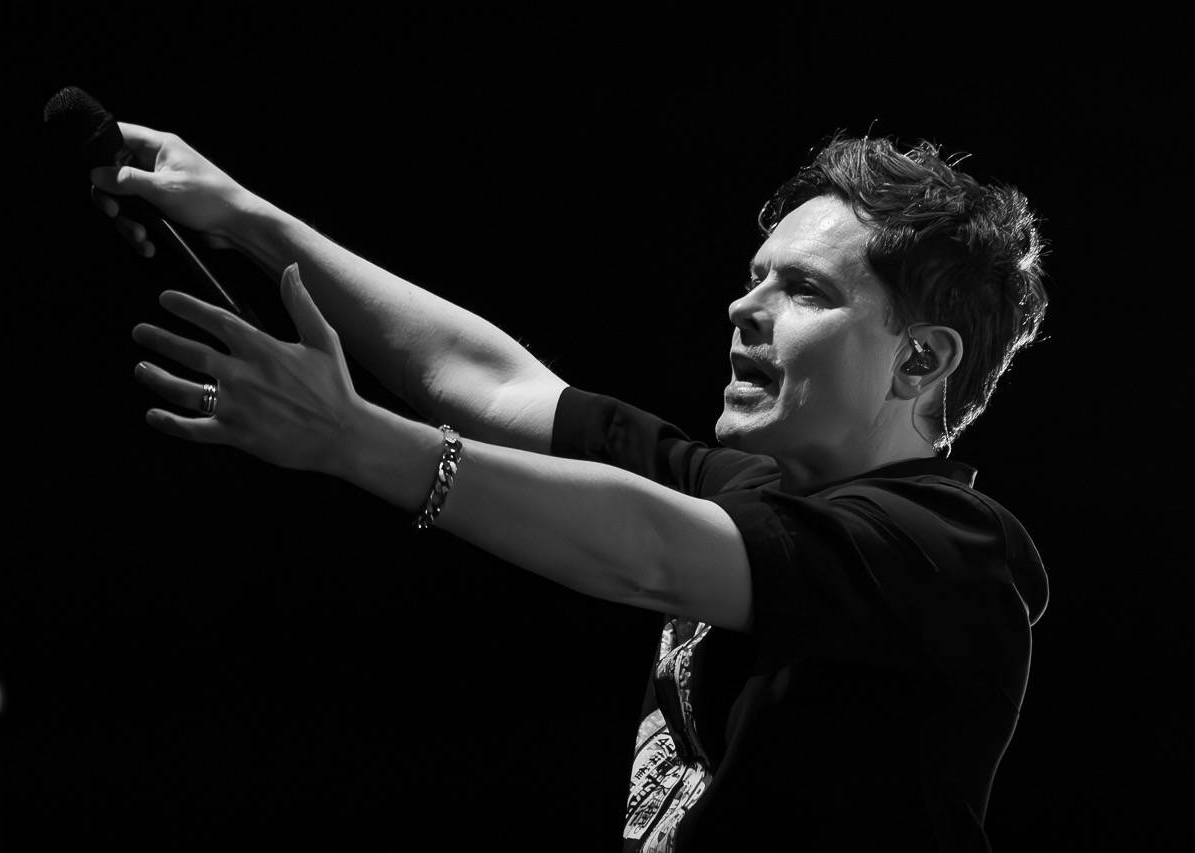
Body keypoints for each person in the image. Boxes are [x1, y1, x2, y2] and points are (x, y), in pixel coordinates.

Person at [90, 125, 1050, 851]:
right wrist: (242, 216)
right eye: (755, 277)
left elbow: (651, 551)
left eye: (803, 290)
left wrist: (353, 438)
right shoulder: (752, 489)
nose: (742, 306)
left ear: (920, 359)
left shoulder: (950, 551)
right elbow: (492, 383)